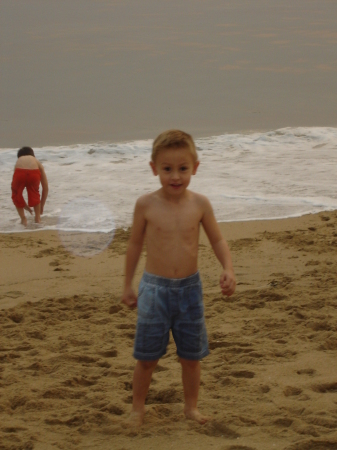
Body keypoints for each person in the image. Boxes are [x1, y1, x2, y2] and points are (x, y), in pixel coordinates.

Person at [122, 130, 236, 426]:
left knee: (191, 356)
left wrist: (228, 268)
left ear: (195, 168)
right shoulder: (145, 205)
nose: (175, 176)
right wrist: (127, 284)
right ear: (154, 168)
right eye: (167, 169)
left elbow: (217, 241)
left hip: (189, 290)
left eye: (183, 169)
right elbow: (134, 244)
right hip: (154, 290)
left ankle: (191, 408)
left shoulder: (200, 204)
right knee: (146, 357)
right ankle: (137, 409)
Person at [11, 147, 48, 226]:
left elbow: (14, 190)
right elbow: (45, 188)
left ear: (19, 156)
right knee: (35, 192)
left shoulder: (19, 161)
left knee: (16, 193)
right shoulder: (36, 161)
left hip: (19, 172)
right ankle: (37, 218)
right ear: (32, 155)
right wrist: (42, 206)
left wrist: (25, 206)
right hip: (34, 173)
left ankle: (23, 219)